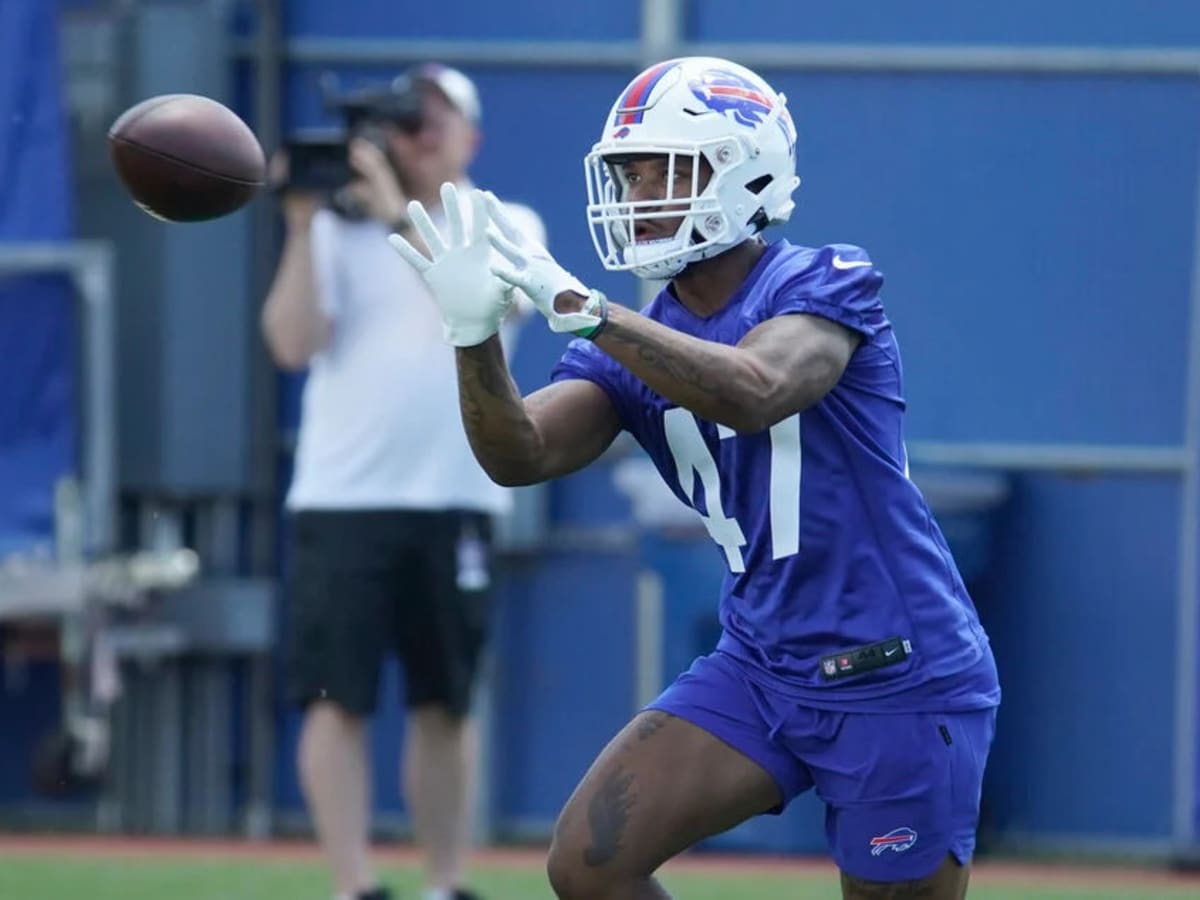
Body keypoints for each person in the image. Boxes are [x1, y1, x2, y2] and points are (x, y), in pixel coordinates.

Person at [391, 55, 1003, 899]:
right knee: (589, 863)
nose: (638, 194)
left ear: (742, 171)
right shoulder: (634, 336)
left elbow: (754, 391)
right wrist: (473, 336)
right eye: (629, 173)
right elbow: (519, 453)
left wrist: (594, 313)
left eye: (661, 170)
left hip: (895, 670)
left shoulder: (824, 283)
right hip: (759, 661)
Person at [261, 63, 544, 900]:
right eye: (404, 121)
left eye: (432, 121)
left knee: (445, 702)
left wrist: (395, 213)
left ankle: (444, 882)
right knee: (334, 697)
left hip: (456, 496)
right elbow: (290, 342)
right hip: (344, 497)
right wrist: (301, 222)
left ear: (469, 137)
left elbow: (493, 304)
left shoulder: (501, 220)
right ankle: (354, 884)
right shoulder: (337, 232)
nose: (415, 136)